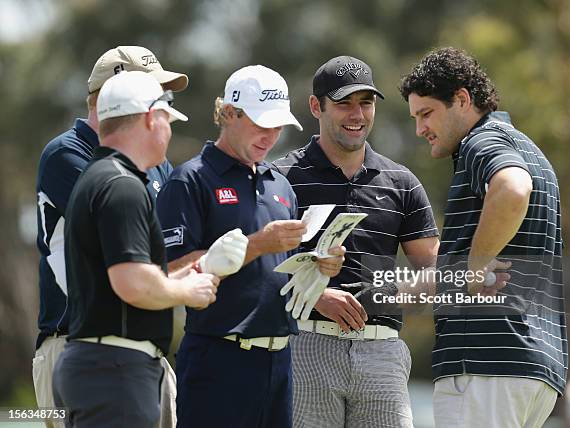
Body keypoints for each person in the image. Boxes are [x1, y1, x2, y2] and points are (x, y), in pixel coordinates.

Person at [155, 64, 345, 428]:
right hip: (218, 359)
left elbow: (283, 273)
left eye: (278, 126)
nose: (271, 135)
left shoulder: (280, 185)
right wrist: (258, 244)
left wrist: (319, 267)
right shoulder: (190, 180)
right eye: (261, 124)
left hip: (281, 361)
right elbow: (174, 269)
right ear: (229, 113)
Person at [400, 47, 567, 427]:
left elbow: (512, 188)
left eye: (426, 113)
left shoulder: (480, 143)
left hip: (484, 365)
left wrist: (475, 266)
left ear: (462, 99)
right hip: (533, 369)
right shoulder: (527, 147)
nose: (420, 128)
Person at [273, 55, 439, 428]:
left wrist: (383, 294)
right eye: (344, 103)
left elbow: (433, 273)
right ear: (316, 106)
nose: (357, 114)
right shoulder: (280, 177)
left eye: (365, 103)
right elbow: (258, 268)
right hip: (306, 346)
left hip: (382, 351)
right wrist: (314, 295)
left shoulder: (402, 182)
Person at [51, 71, 224, 427]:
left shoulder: (99, 177)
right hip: (116, 370)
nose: (169, 131)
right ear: (150, 118)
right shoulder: (123, 186)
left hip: (99, 365)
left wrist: (176, 275)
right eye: (167, 119)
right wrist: (187, 289)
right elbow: (132, 283)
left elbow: (117, 275)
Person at [34, 45, 187, 428]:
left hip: (139, 351)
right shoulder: (67, 155)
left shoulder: (156, 162)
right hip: (76, 344)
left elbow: (166, 240)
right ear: (114, 96)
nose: (162, 111)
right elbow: (128, 241)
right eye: (152, 95)